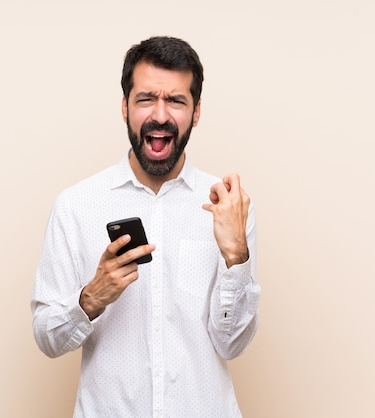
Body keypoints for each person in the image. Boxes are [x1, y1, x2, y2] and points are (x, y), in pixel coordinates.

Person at [31, 36, 261, 417]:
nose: (160, 115)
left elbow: (232, 345)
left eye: (176, 100)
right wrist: (90, 298)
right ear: (125, 107)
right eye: (145, 99)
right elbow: (47, 338)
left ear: (196, 111)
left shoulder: (228, 207)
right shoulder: (76, 205)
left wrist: (237, 255)